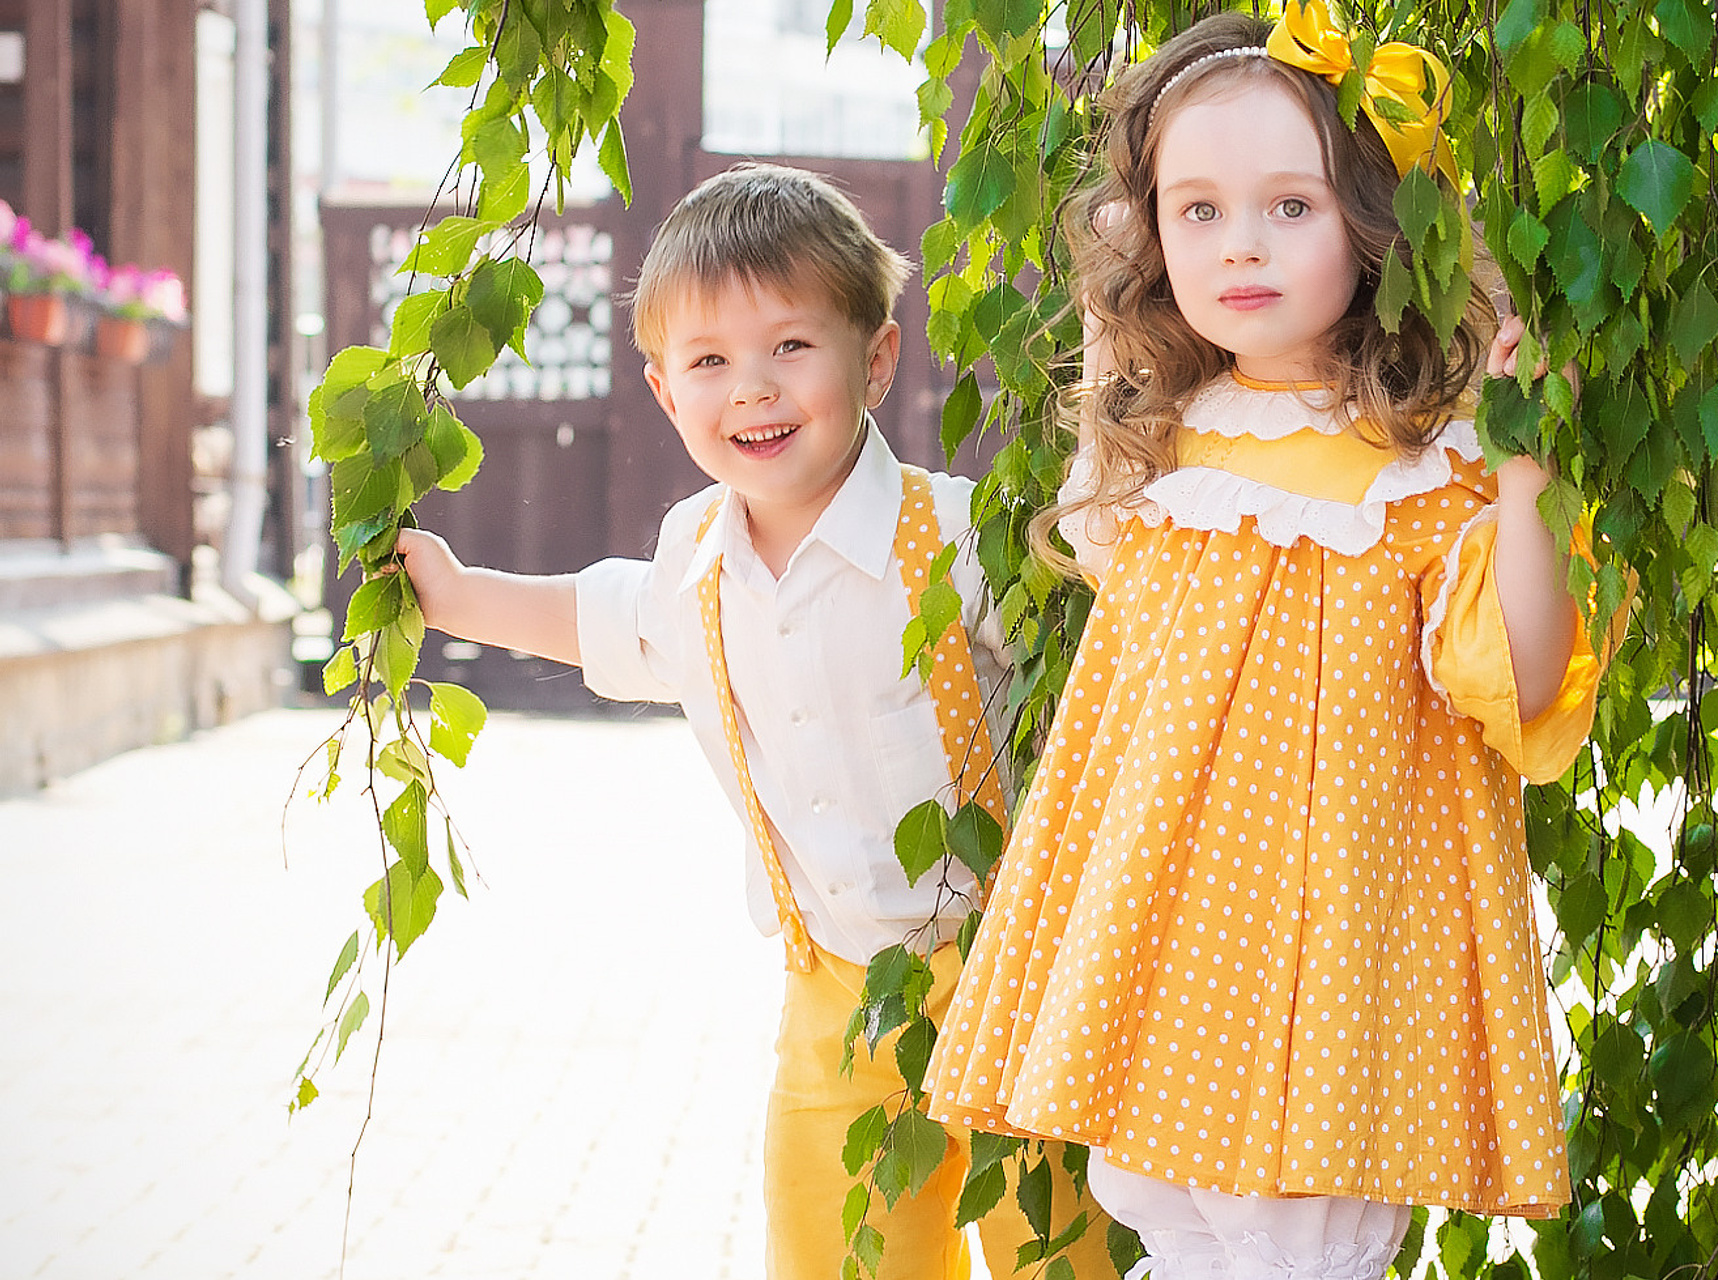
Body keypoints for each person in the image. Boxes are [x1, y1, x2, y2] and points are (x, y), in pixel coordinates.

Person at [923, 7, 1629, 1279]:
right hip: (1173, 942)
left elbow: (1521, 678)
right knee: (1170, 1213)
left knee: (1292, 1245)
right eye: (1195, 210)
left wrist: (1528, 471)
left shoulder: (1430, 460)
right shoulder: (1167, 442)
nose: (1239, 243)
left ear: (1376, 223)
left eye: (1289, 207)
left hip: (1336, 950)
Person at [393, 164, 1115, 1280]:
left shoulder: (963, 538)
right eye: (710, 362)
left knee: (1056, 1251)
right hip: (832, 1000)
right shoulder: (693, 565)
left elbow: (1103, 677)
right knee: (836, 1254)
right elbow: (598, 618)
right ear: (663, 391)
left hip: (1020, 978)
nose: (754, 391)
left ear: (875, 358)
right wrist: (453, 591)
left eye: (791, 347)